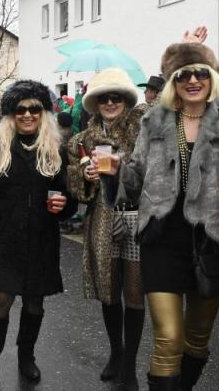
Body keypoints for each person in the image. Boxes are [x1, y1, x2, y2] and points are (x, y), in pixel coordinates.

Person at [111, 43, 219, 390]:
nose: (192, 80)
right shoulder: (154, 122)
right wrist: (114, 171)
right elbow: (136, 178)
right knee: (168, 339)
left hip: (211, 242)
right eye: (183, 74)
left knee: (197, 339)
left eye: (200, 73)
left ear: (212, 78)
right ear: (173, 81)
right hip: (162, 239)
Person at [0, 80, 77, 389]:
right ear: (11, 114)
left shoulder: (55, 150)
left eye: (34, 109)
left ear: (43, 113)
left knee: (34, 304)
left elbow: (67, 199)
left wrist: (64, 205)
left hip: (41, 240)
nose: (27, 115)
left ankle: (27, 357)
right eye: (20, 109)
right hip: (6, 240)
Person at [66, 68, 146, 389]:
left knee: (136, 293)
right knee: (109, 291)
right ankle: (116, 352)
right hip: (103, 216)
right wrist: (83, 178)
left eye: (116, 97)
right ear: (95, 103)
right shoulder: (82, 141)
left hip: (138, 216)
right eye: (104, 98)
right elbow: (72, 181)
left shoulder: (142, 128)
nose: (110, 102)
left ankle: (129, 365)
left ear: (125, 100)